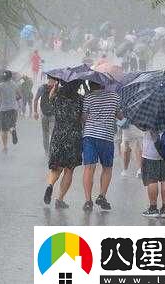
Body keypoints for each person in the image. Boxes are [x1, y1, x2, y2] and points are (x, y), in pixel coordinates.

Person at [81, 82, 123, 212]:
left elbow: (83, 117)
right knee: (107, 168)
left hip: (90, 136)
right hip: (106, 137)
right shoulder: (115, 97)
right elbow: (120, 116)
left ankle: (88, 201)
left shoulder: (88, 97)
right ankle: (102, 195)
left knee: (89, 168)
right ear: (103, 84)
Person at [43, 80, 84, 208]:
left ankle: (50, 185)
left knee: (56, 167)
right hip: (73, 137)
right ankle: (59, 199)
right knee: (69, 169)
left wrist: (55, 87)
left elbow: (50, 98)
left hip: (58, 136)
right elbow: (83, 118)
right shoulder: (80, 100)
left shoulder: (58, 98)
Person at [140, 131, 165, 218]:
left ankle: (153, 208)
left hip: (150, 151)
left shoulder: (148, 117)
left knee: (152, 180)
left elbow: (143, 127)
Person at [0, 70, 21, 154]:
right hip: (13, 109)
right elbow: (20, 96)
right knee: (12, 124)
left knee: (4, 130)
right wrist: (14, 99)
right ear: (11, 77)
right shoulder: (15, 85)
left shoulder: (0, 86)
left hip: (4, 109)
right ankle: (12, 129)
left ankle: (5, 147)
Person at [33, 75, 57, 156]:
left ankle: (47, 151)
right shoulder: (57, 88)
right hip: (53, 114)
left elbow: (36, 99)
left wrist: (35, 112)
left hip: (44, 113)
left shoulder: (42, 88)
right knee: (52, 132)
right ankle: (50, 151)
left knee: (46, 133)